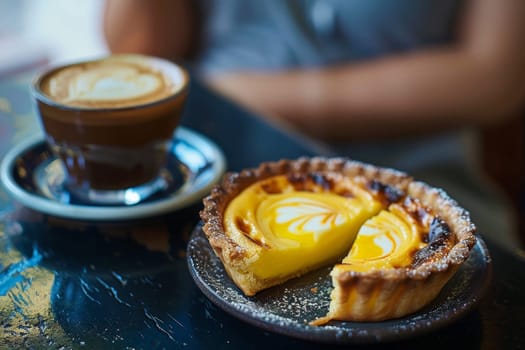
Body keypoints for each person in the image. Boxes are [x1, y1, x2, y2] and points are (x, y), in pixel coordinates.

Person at [102, 0, 525, 251]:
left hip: (417, 190)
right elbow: (139, 51)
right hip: (198, 176)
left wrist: (233, 98)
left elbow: (497, 80)